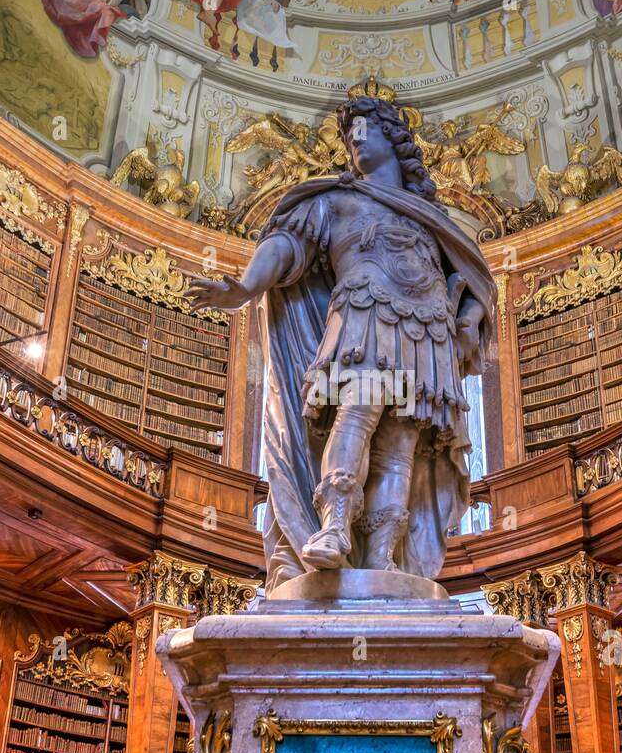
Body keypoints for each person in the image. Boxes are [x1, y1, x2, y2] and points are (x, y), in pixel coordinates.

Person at [185, 95, 495, 590]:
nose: (354, 139)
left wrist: (465, 323)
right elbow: (287, 246)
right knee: (355, 412)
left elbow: (478, 285)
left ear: (393, 135)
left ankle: (382, 556)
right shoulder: (333, 200)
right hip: (365, 319)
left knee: (401, 446)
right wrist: (244, 287)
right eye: (348, 133)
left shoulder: (432, 219)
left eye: (364, 127)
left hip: (428, 335)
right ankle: (333, 528)